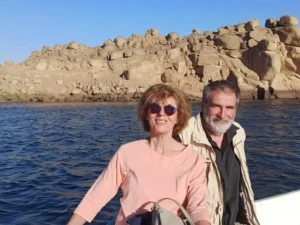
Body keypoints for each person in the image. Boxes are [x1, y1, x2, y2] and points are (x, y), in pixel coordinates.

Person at [67, 83, 211, 225]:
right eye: (154, 108)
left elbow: (198, 207)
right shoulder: (127, 152)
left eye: (169, 109)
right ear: (146, 114)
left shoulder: (193, 159)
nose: (161, 113)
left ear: (178, 117)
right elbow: (97, 196)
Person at [179, 80, 260, 225]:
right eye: (216, 106)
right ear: (203, 105)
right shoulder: (182, 137)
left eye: (229, 107)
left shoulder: (238, 133)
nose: (223, 115)